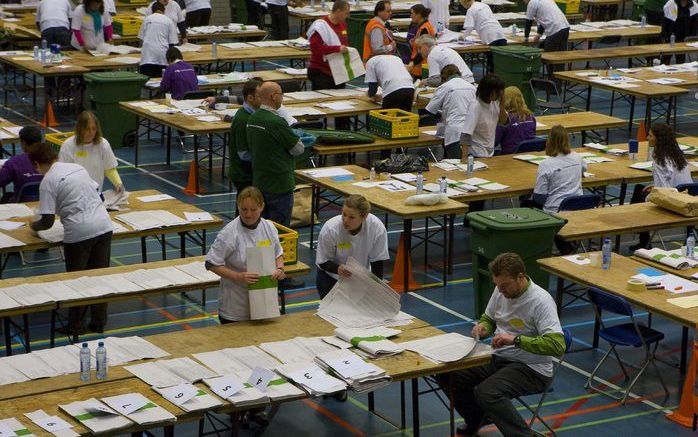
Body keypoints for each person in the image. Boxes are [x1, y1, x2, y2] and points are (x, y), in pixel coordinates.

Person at [435, 252, 565, 437]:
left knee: (487, 392)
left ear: (520, 277)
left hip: (532, 368)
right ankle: (477, 418)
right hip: (500, 358)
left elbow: (557, 346)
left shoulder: (541, 301)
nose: (501, 291)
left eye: (505, 286)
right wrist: (483, 327)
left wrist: (516, 340)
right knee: (446, 372)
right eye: (498, 286)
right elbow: (489, 318)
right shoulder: (500, 290)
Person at [30, 142, 114, 336]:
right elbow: (99, 196)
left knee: (77, 280)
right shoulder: (77, 168)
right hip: (103, 225)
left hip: (79, 234)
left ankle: (76, 324)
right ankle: (99, 321)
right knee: (99, 277)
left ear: (36, 164)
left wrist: (32, 226)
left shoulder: (48, 182)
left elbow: (47, 222)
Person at [205, 186, 285, 323]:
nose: (248, 214)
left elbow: (278, 253)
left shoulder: (269, 228)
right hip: (236, 308)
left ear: (262, 207)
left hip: (264, 306)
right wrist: (237, 276)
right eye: (244, 209)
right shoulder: (229, 233)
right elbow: (211, 263)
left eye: (253, 210)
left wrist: (280, 268)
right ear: (238, 206)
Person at [246, 81, 304, 227]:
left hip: (260, 181)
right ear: (273, 96)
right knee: (280, 230)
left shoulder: (252, 118)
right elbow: (298, 149)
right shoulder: (276, 122)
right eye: (281, 95)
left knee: (260, 228)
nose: (282, 98)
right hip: (280, 184)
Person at [630, 122, 693, 250]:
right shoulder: (679, 155)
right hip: (688, 197)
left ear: (659, 139)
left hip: (673, 202)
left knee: (638, 192)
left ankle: (644, 240)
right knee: (642, 188)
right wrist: (654, 186)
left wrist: (655, 189)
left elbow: (663, 192)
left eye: (651, 136)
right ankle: (690, 235)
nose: (647, 138)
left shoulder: (658, 158)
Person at [315, 194, 389, 299]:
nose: (345, 220)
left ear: (364, 216)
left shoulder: (376, 228)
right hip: (330, 278)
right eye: (344, 214)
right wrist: (337, 269)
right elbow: (323, 261)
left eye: (351, 217)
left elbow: (377, 262)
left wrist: (376, 288)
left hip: (359, 278)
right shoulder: (330, 229)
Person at [307, 0, 351, 129]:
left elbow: (344, 44)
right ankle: (314, 132)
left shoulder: (342, 25)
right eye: (346, 13)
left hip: (338, 72)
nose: (347, 16)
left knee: (342, 107)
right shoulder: (320, 26)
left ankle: (343, 135)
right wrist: (336, 49)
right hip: (321, 72)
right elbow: (316, 48)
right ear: (337, 11)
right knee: (319, 106)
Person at [59, 111, 124, 194]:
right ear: (80, 129)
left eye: (94, 128)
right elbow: (62, 174)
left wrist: (118, 184)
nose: (91, 132)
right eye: (87, 129)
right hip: (73, 195)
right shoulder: (68, 145)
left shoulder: (103, 144)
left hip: (96, 194)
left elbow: (109, 168)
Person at [424, 64, 477, 159]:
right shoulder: (472, 87)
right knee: (470, 165)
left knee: (456, 168)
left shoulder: (445, 86)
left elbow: (430, 111)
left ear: (443, 78)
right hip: (473, 132)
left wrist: (442, 114)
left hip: (455, 133)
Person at [530, 125, 585, 213]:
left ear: (549, 141)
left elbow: (539, 198)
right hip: (577, 207)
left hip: (554, 211)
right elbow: (584, 168)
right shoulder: (577, 157)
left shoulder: (545, 165)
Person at [230, 78, 263, 197]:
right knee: (245, 208)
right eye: (261, 96)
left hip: (252, 172)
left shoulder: (255, 114)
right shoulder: (243, 119)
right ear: (250, 98)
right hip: (244, 174)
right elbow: (243, 153)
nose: (265, 99)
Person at [462, 73, 507, 159]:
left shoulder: (495, 103)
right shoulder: (475, 106)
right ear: (488, 91)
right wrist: (464, 159)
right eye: (497, 92)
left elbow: (504, 121)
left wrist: (502, 104)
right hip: (476, 152)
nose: (499, 94)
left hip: (489, 151)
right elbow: (466, 134)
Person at [460, 0, 507, 72]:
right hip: (500, 33)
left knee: (493, 62)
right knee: (503, 61)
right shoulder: (484, 5)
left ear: (465, 2)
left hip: (489, 36)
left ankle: (492, 78)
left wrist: (462, 37)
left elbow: (470, 27)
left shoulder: (471, 10)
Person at [0, 126, 44, 203]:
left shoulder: (14, 162)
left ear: (23, 143)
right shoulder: (52, 159)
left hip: (21, 204)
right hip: (47, 203)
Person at [138, 2, 179, 78]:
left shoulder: (147, 19)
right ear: (164, 10)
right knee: (161, 81)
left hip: (147, 57)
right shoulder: (169, 21)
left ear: (152, 10)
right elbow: (173, 43)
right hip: (162, 56)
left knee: (147, 82)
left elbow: (141, 39)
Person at [496, 86, 536, 155]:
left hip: (508, 157)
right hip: (529, 155)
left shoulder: (505, 119)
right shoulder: (531, 116)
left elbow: (494, 142)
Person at [406, 4, 435, 78]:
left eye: (412, 14)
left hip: (422, 68)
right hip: (421, 66)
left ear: (419, 15)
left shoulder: (424, 29)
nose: (411, 16)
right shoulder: (423, 27)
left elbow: (424, 51)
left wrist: (412, 63)